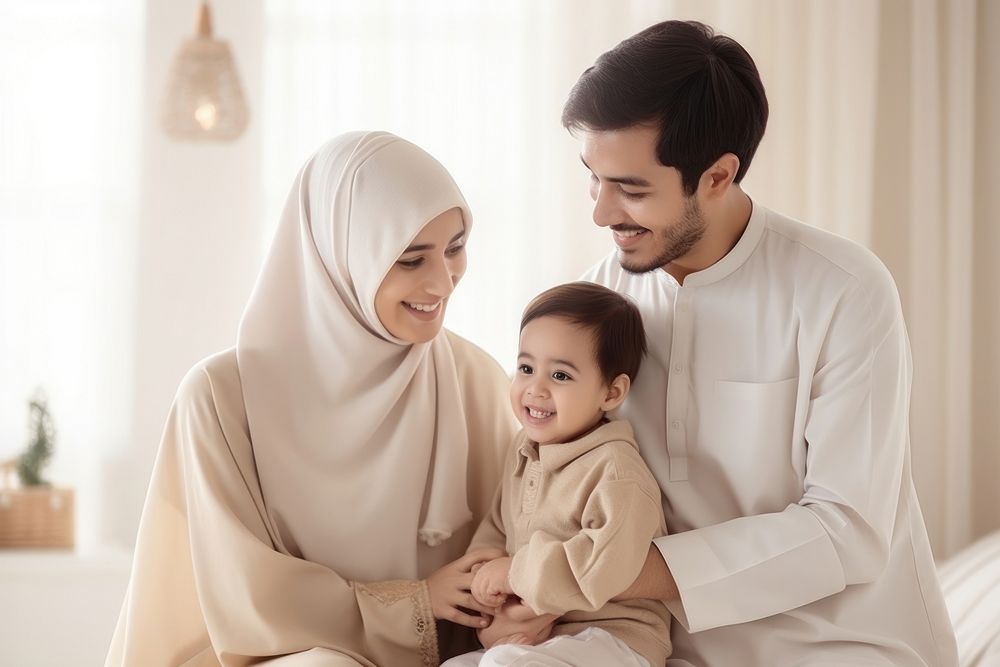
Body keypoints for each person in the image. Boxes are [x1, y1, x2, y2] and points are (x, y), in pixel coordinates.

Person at [543, 19, 960, 666]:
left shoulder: (844, 289)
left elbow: (848, 531)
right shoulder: (597, 304)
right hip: (662, 644)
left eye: (630, 188)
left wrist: (601, 573)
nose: (600, 211)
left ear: (717, 175)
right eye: (593, 178)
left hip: (844, 645)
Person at [105, 131, 519, 666]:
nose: (444, 282)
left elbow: (520, 532)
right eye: (412, 259)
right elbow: (249, 599)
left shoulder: (474, 380)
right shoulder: (221, 399)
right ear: (339, 256)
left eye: (455, 248)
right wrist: (414, 604)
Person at [442, 282, 671, 667]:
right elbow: (498, 528)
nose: (536, 388)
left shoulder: (615, 472)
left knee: (504, 665)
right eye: (527, 368)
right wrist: (489, 603)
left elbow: (604, 566)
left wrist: (515, 576)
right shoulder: (524, 451)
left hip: (613, 639)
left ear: (611, 394)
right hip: (543, 637)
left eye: (561, 376)